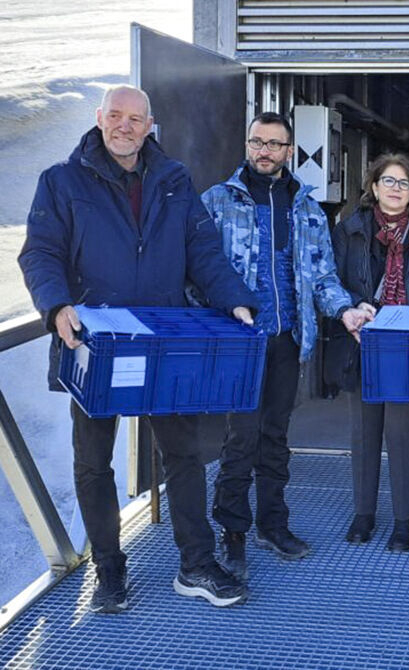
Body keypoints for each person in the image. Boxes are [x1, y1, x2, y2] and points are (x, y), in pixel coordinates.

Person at [18, 85, 256, 613]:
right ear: (99, 118)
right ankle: (108, 569)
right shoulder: (61, 180)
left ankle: (196, 564)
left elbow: (202, 249)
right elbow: (41, 252)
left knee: (184, 454)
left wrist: (234, 300)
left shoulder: (173, 179)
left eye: (136, 118)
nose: (125, 126)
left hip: (163, 342)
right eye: (116, 116)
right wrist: (57, 306)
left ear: (151, 125)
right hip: (94, 344)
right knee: (93, 461)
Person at [202, 112, 371, 579]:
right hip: (239, 342)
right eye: (258, 142)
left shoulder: (306, 208)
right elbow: (196, 271)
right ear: (247, 144)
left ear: (289, 151)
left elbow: (322, 277)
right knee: (241, 438)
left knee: (275, 436)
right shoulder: (216, 202)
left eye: (275, 144)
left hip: (286, 338)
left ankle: (272, 524)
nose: (265, 151)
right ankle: (232, 530)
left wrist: (345, 310)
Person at [330, 153, 409, 552]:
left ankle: (403, 520)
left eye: (403, 183)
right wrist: (354, 306)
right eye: (388, 181)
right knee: (363, 434)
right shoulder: (350, 230)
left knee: (401, 433)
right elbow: (333, 280)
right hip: (363, 342)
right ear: (374, 187)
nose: (395, 189)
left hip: (408, 344)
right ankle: (363, 514)